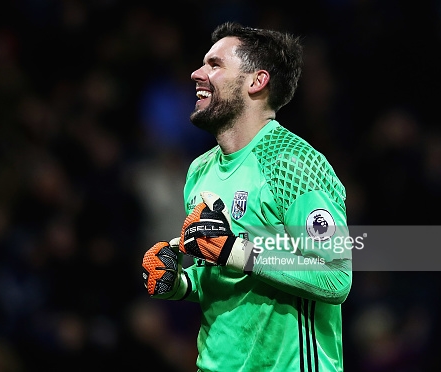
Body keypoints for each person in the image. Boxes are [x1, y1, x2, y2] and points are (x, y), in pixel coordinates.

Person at [142, 21, 352, 371]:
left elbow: (335, 276)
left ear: (257, 81)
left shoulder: (294, 164)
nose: (197, 73)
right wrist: (178, 282)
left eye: (215, 64)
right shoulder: (199, 171)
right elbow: (220, 274)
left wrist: (237, 251)